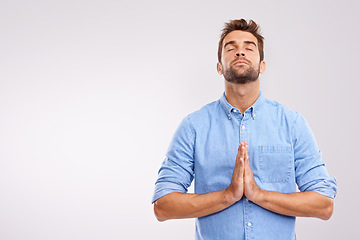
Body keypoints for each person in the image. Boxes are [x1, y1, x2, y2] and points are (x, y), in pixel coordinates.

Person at [151, 19, 337, 240]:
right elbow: (163, 206)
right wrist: (228, 196)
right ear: (219, 67)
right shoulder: (193, 127)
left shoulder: (292, 124)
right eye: (231, 48)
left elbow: (324, 204)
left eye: (249, 48)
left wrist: (258, 195)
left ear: (262, 65)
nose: (240, 53)